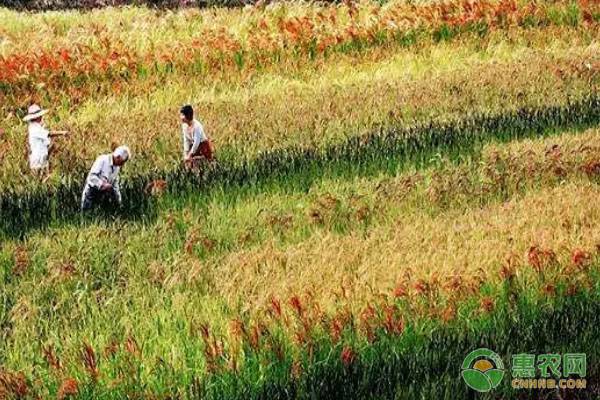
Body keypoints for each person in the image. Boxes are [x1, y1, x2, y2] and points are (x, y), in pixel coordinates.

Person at [23, 104, 68, 177]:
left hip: (42, 159)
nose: (41, 117)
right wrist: (62, 133)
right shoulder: (34, 128)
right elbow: (49, 134)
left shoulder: (37, 126)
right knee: (39, 180)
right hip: (37, 160)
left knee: (44, 178)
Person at [81, 146, 131, 211]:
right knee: (87, 216)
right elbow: (91, 177)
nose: (122, 164)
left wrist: (119, 202)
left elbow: (115, 184)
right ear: (118, 157)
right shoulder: (102, 160)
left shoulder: (117, 167)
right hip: (91, 194)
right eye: (122, 162)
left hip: (101, 197)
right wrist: (102, 184)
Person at [180, 104, 214, 168]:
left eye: (182, 115)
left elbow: (196, 142)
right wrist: (186, 153)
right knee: (188, 164)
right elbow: (186, 140)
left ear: (187, 116)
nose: (181, 117)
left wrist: (190, 154)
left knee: (197, 164)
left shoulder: (197, 126)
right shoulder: (184, 126)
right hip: (193, 148)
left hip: (203, 148)